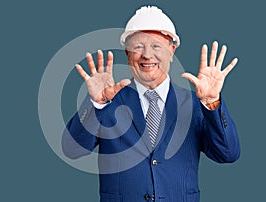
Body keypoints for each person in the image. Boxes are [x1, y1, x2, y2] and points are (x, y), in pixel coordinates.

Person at [62, 5, 240, 202]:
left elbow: (228, 154)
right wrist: (96, 102)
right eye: (138, 47)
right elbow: (72, 150)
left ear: (171, 51)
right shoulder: (108, 102)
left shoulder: (195, 105)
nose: (147, 55)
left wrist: (211, 102)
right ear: (128, 54)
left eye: (156, 46)